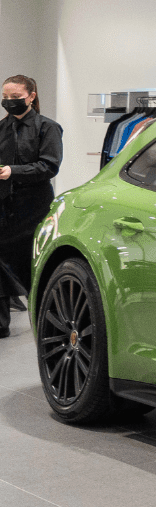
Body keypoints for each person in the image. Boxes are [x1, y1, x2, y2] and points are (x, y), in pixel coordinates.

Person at [0, 75, 60, 338]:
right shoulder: (2, 128)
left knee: (29, 266)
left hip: (33, 208)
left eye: (16, 97)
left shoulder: (48, 128)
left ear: (31, 96)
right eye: (6, 97)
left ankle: (51, 319)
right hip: (5, 206)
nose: (9, 102)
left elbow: (49, 166)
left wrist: (13, 171)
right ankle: (1, 324)